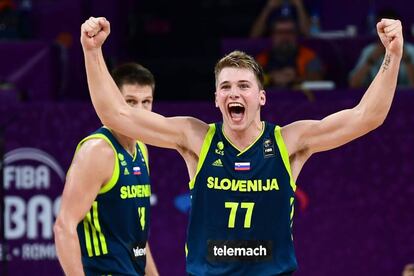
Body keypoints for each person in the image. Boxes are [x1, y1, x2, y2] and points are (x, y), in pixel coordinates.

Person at [80, 16, 403, 275]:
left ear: (261, 97)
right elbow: (116, 114)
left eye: (244, 86)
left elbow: (366, 117)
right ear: (217, 99)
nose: (234, 93)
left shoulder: (288, 141)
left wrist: (392, 55)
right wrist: (92, 53)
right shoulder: (196, 137)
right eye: (226, 87)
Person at [54, 63, 159, 276]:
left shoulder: (141, 149)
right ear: (113, 102)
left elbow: (136, 236)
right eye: (130, 101)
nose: (139, 111)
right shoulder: (99, 150)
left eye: (146, 102)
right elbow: (64, 227)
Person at [350, 9, 414, 88]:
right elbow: (353, 83)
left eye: (390, 29)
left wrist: (407, 60)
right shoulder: (369, 51)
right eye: (382, 29)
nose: (387, 33)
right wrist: (371, 60)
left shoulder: (411, 51)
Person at [256, 16, 324, 88]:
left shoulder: (309, 56)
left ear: (296, 35)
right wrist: (271, 78)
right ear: (273, 36)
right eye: (280, 32)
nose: (285, 36)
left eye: (289, 32)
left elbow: (317, 78)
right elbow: (252, 80)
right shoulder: (262, 58)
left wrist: (294, 79)